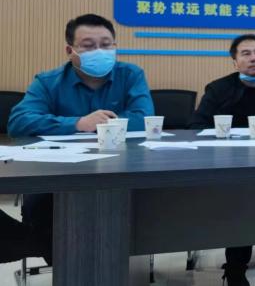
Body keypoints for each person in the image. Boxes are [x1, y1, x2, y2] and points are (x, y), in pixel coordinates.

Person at [7, 14, 155, 265]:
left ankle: (118, 264)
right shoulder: (48, 81)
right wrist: (77, 123)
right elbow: (19, 122)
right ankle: (69, 266)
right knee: (43, 211)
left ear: (115, 46)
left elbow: (144, 118)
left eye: (106, 45)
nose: (99, 51)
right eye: (88, 46)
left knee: (151, 205)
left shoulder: (130, 75)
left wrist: (105, 124)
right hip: (59, 175)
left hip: (123, 169)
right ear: (70, 50)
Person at [188, 34, 255, 286]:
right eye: (246, 53)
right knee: (242, 201)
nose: (254, 58)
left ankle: (237, 265)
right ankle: (236, 268)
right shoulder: (218, 89)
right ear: (235, 61)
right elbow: (196, 126)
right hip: (228, 164)